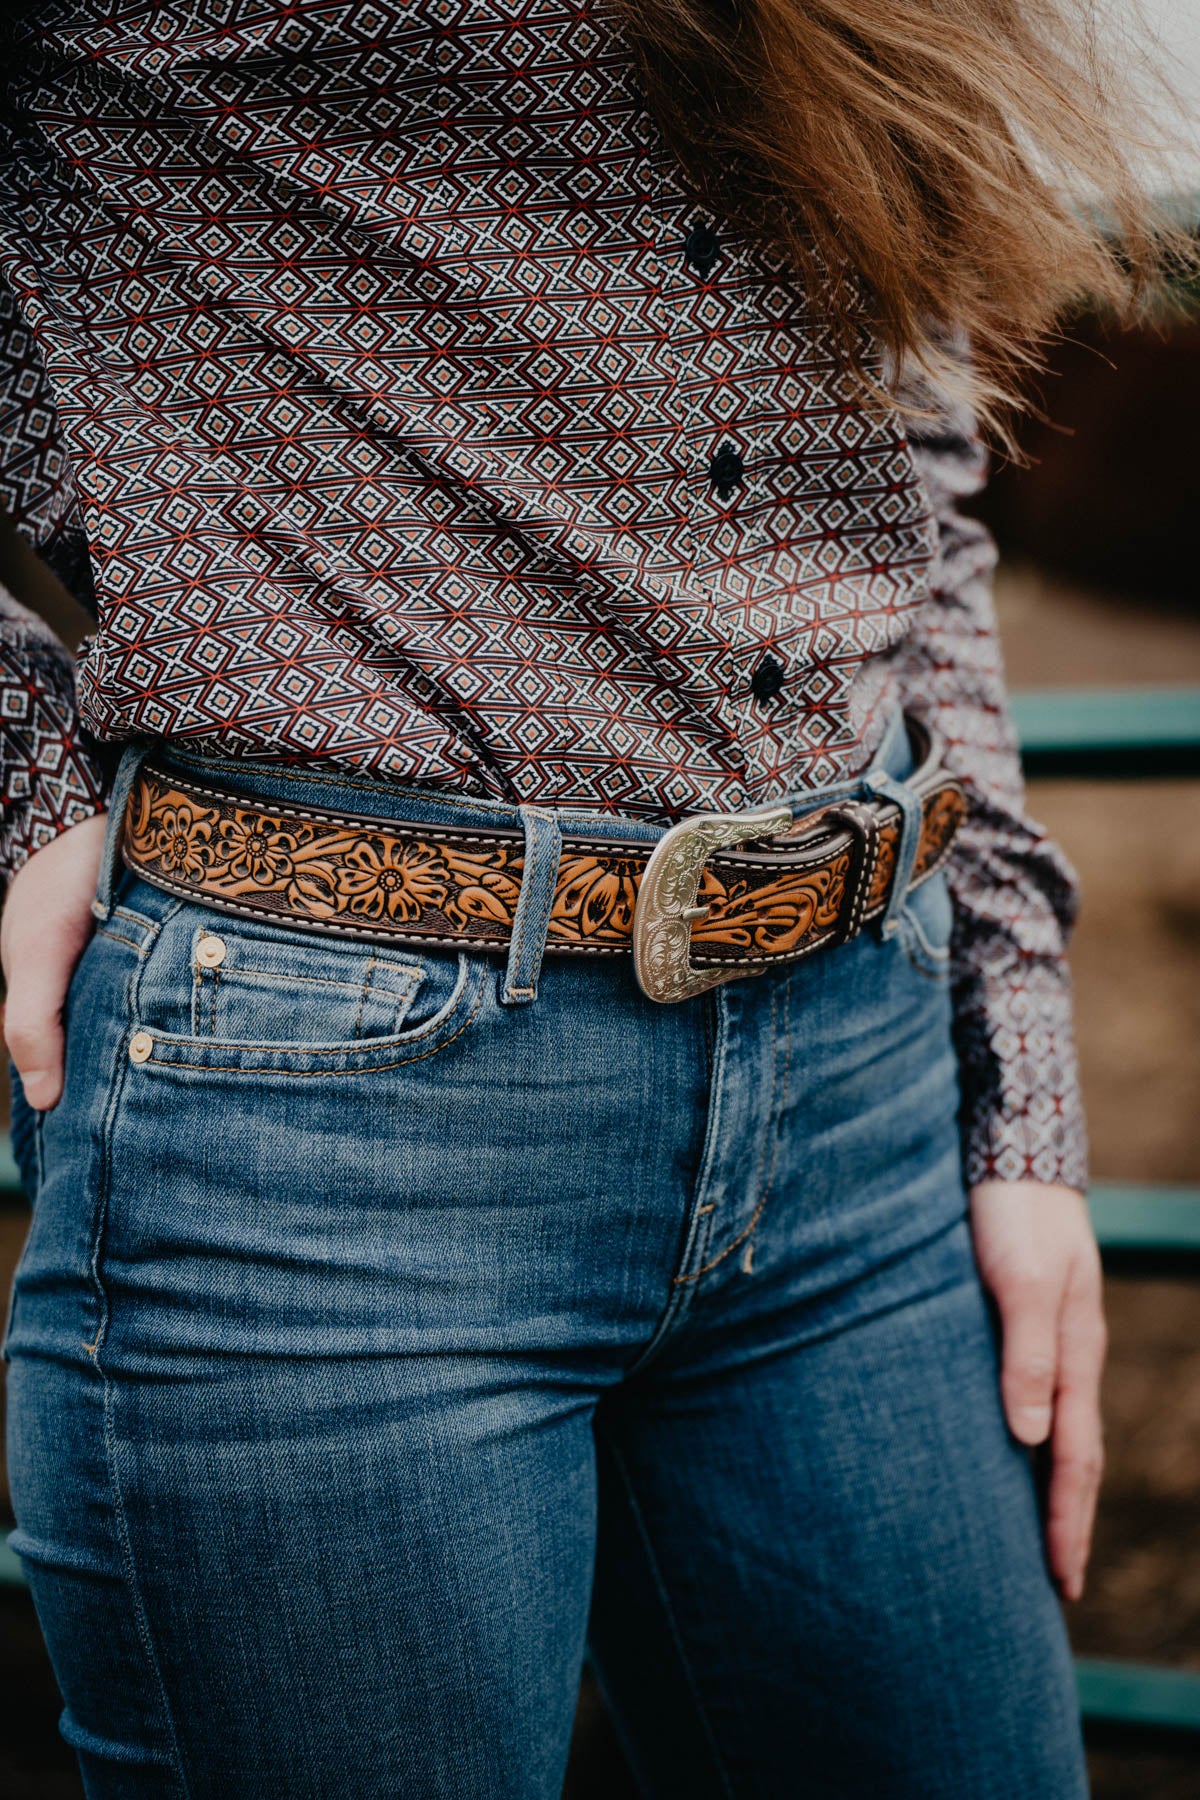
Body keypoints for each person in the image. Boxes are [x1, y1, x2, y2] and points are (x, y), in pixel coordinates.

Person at [0, 1, 1179, 1794]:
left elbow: (908, 443)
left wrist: (1016, 1084)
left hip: (861, 1108)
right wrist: (19, 775)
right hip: (325, 1133)